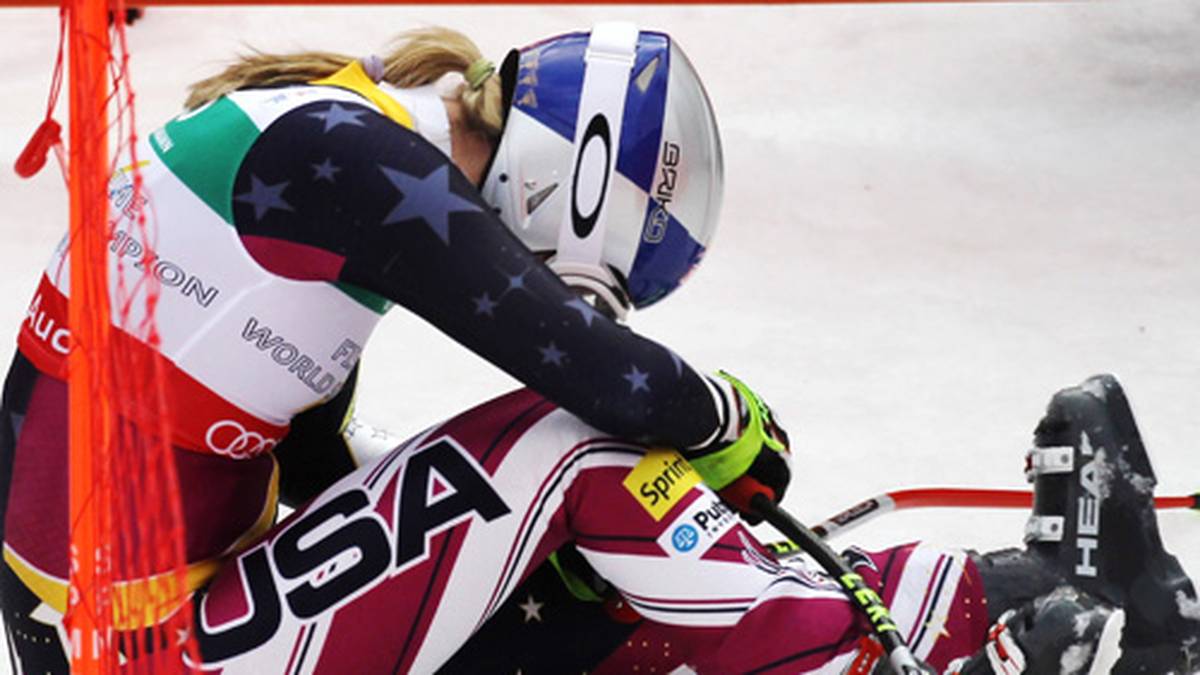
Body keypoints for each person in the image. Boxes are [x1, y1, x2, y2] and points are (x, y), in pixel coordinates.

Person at [0, 22, 1195, 675]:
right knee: (576, 447)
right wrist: (723, 420)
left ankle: (992, 603)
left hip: (148, 624)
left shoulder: (330, 147)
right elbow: (588, 371)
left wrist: (540, 576)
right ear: (581, 182)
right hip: (132, 651)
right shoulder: (346, 157)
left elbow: (315, 478)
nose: (598, 297)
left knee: (580, 548)